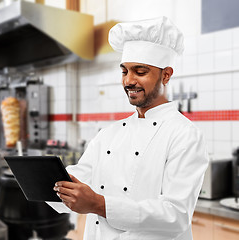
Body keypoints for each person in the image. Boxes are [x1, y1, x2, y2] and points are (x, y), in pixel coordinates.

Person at [47, 16, 209, 239]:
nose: (128, 81)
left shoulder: (184, 135)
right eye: (124, 71)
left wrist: (98, 204)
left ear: (166, 74)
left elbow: (176, 215)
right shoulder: (109, 134)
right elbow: (81, 178)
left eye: (140, 72)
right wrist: (47, 184)